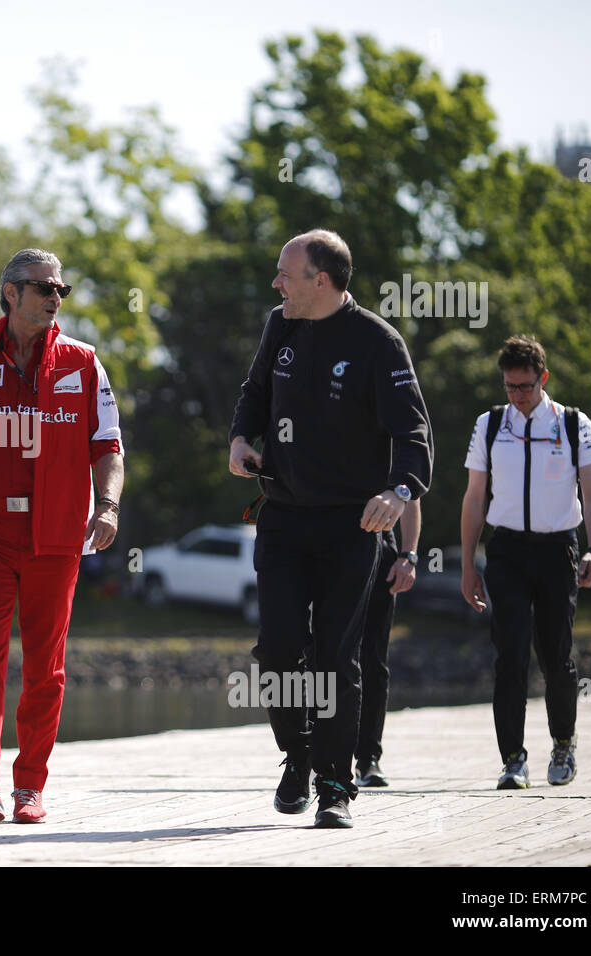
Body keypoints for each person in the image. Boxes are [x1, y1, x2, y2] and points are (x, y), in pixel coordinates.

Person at [228, 229, 433, 828]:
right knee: (276, 652)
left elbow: (414, 437)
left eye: (285, 274)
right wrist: (241, 439)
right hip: (284, 516)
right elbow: (255, 392)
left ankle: (336, 787)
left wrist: (398, 493)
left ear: (322, 280)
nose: (276, 284)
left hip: (352, 525)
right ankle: (297, 755)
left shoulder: (378, 342)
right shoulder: (281, 324)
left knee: (338, 658)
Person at [0, 248, 123, 825]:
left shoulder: (83, 363)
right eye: (42, 287)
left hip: (57, 531)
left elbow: (106, 444)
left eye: (60, 289)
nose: (54, 298)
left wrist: (107, 506)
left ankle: (30, 785)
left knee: (45, 665)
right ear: (9, 292)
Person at [459, 335, 591, 789]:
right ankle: (513, 759)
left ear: (543, 378)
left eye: (524, 386)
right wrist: (467, 566)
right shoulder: (489, 424)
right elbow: (475, 497)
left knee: (555, 654)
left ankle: (563, 743)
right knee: (511, 654)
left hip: (557, 549)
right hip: (506, 552)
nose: (517, 395)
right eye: (509, 386)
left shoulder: (575, 424)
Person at [354, 500, 420, 788]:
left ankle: (368, 759)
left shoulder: (395, 452)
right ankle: (320, 752)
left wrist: (408, 556)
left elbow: (412, 493)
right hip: (329, 540)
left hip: (380, 543)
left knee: (373, 659)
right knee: (323, 654)